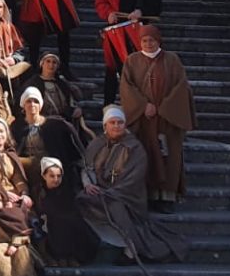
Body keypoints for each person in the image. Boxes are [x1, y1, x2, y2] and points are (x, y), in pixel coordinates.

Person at [78, 106, 189, 262]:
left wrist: (113, 193)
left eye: (120, 122)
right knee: (82, 200)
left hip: (127, 195)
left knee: (116, 206)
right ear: (105, 126)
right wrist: (88, 184)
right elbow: (87, 168)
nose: (116, 126)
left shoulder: (134, 147)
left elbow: (134, 178)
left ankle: (130, 249)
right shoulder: (97, 144)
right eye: (112, 123)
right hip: (101, 190)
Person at [118, 25, 195, 212]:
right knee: (147, 155)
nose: (148, 44)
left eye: (151, 40)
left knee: (169, 156)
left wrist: (165, 107)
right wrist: (144, 105)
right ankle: (149, 195)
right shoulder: (132, 60)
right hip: (144, 120)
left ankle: (167, 196)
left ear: (158, 40)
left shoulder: (172, 60)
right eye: (144, 41)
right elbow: (126, 87)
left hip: (167, 118)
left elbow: (181, 86)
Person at [95, 0, 163, 105]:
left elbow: (156, 6)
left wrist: (141, 11)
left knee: (141, 69)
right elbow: (100, 2)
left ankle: (145, 103)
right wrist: (108, 14)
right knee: (112, 70)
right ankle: (108, 105)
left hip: (138, 32)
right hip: (116, 32)